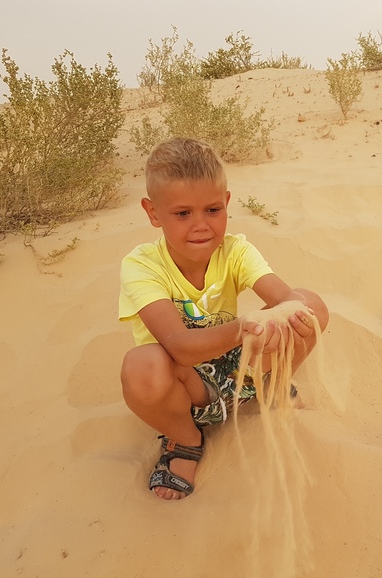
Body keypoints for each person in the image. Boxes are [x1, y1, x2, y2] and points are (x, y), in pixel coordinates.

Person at [119, 137, 328, 500]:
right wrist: (243, 329)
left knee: (311, 306)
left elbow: (286, 297)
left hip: (238, 368)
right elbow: (179, 348)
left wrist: (286, 314)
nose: (201, 225)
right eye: (183, 214)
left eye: (212, 210)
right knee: (142, 365)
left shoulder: (235, 251)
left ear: (227, 203)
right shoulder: (142, 266)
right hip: (187, 387)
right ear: (153, 213)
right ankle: (186, 440)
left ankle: (273, 388)